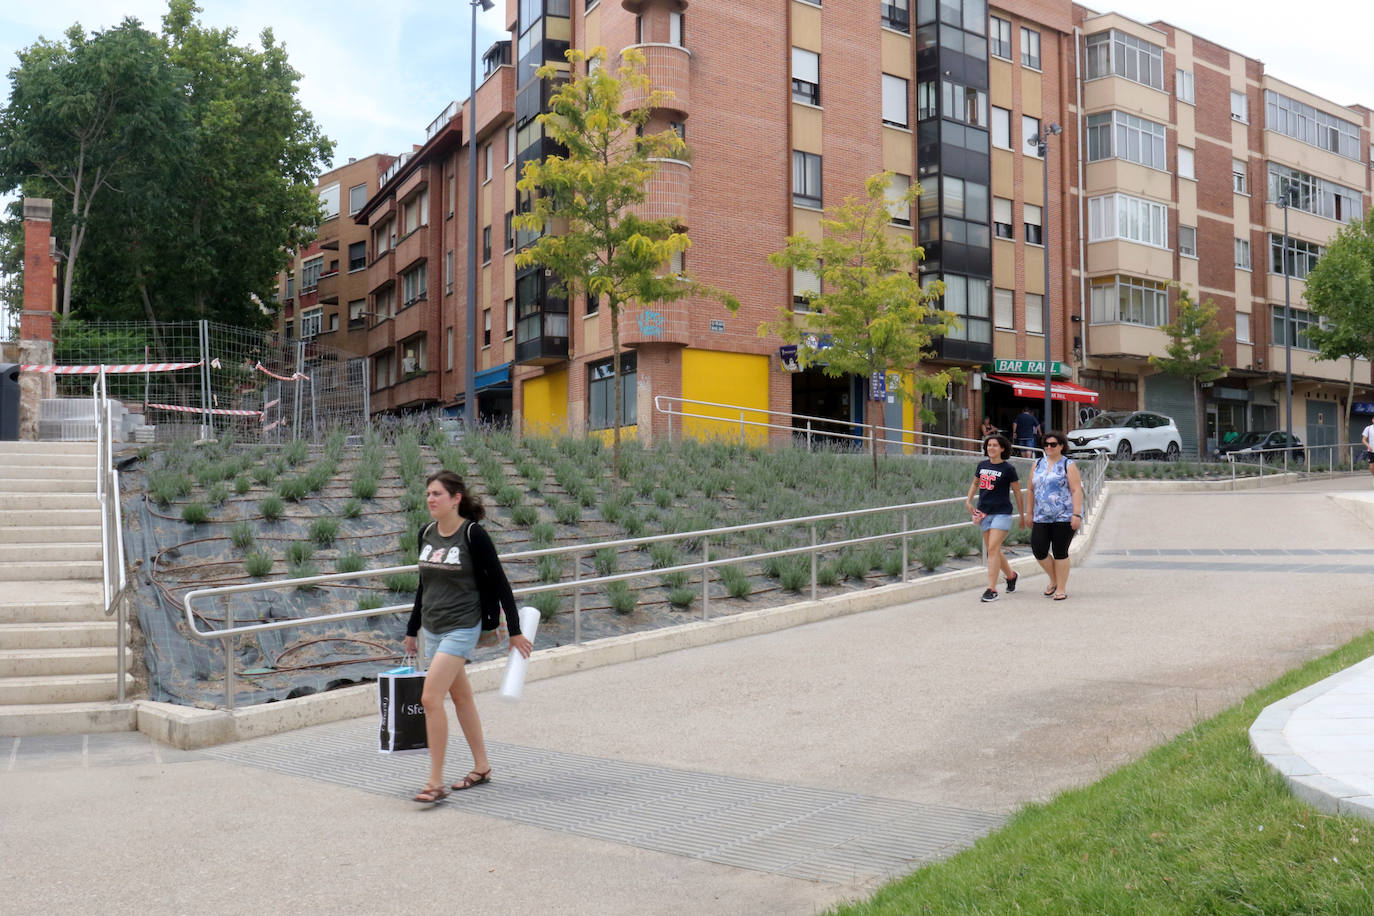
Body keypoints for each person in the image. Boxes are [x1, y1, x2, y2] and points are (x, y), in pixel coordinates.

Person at [404, 470, 532, 803]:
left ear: (456, 498)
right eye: (428, 493)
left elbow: (500, 582)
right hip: (433, 627)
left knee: (430, 698)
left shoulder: (473, 535)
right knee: (461, 698)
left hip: (463, 625)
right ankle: (482, 766)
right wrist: (412, 629)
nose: (430, 499)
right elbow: (424, 585)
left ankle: (434, 782)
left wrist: (515, 632)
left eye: (437, 494)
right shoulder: (427, 533)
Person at [965, 432, 1026, 602]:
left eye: (994, 445)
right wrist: (968, 501)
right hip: (984, 513)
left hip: (1002, 513)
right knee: (995, 550)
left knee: (992, 549)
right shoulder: (982, 465)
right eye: (989, 445)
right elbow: (975, 483)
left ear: (1002, 448)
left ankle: (991, 589)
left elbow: (1018, 494)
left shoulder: (1008, 469)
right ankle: (1011, 576)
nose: (991, 448)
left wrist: (1022, 516)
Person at [1025, 432, 1084, 601]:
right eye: (1046, 444)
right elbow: (1030, 489)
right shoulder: (1037, 464)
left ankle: (1061, 588)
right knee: (1039, 548)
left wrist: (1076, 514)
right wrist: (1029, 512)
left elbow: (1076, 490)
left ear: (1061, 446)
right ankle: (1054, 579)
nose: (1049, 447)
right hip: (1041, 515)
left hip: (1064, 515)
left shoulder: (1068, 464)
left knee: (1060, 551)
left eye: (1053, 444)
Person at [1363, 420, 1374, 488]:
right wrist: (1368, 446)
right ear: (1372, 420)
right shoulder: (1368, 428)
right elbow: (1363, 440)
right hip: (1371, 451)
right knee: (1371, 467)